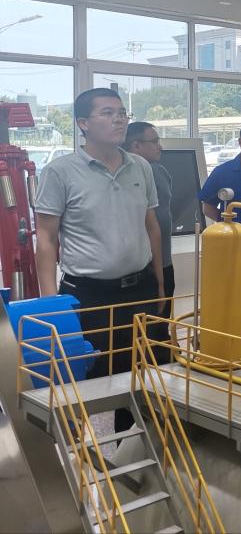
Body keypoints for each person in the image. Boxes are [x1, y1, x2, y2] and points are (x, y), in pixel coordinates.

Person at [35, 88, 164, 433]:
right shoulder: (60, 172)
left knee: (143, 375)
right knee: (88, 379)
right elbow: (46, 240)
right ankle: (83, 452)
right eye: (107, 113)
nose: (119, 119)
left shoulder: (141, 167)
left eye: (122, 113)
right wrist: (51, 305)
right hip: (88, 296)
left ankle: (129, 449)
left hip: (139, 290)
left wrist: (159, 283)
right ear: (83, 123)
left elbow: (151, 226)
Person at [125, 121, 175, 324]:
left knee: (160, 321)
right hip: (147, 265)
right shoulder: (135, 173)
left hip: (162, 259)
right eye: (154, 141)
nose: (159, 146)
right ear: (136, 145)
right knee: (152, 323)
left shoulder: (159, 171)